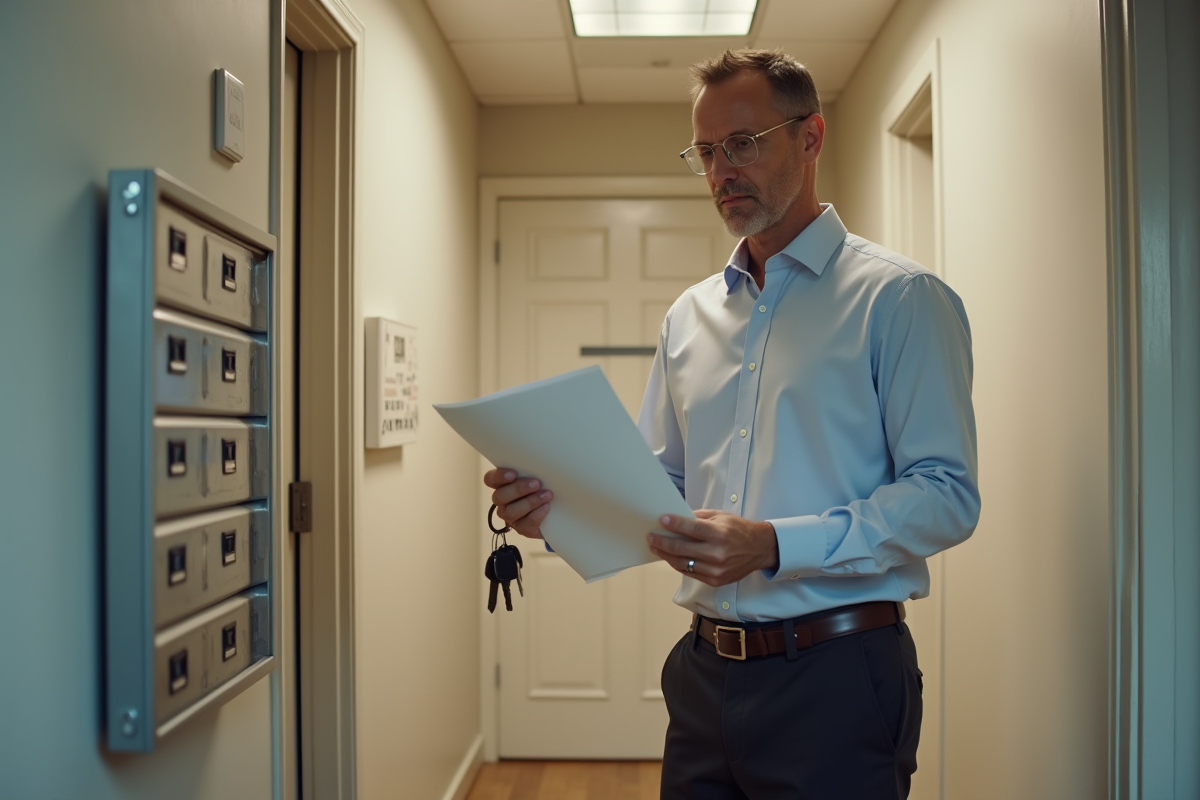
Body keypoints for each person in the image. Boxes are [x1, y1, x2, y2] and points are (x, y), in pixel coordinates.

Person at [484, 49, 980, 800]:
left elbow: (946, 496)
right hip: (702, 675)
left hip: (839, 678)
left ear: (810, 138)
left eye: (743, 144)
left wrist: (773, 544)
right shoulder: (690, 317)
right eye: (707, 152)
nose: (721, 172)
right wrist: (556, 516)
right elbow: (662, 488)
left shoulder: (901, 301)